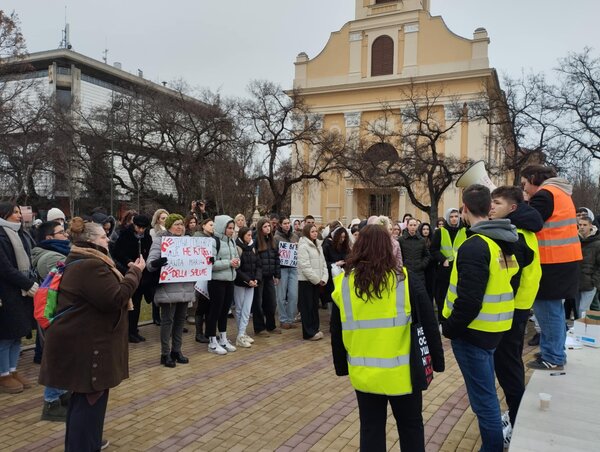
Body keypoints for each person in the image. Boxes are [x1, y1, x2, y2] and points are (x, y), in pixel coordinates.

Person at [330, 225, 444, 451]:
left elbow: (337, 330)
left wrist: (341, 367)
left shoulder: (344, 284)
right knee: (411, 427)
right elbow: (429, 322)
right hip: (404, 373)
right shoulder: (404, 279)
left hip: (364, 374)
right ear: (388, 248)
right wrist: (437, 361)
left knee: (371, 430)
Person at [38, 218, 144, 451]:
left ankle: (87, 443)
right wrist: (135, 273)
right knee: (88, 404)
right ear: (91, 240)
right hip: (88, 347)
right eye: (104, 237)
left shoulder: (85, 260)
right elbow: (115, 298)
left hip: (85, 343)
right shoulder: (90, 265)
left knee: (85, 402)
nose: (108, 239)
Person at [442, 185, 518, 452]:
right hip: (493, 329)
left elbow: (469, 301)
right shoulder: (501, 241)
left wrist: (449, 328)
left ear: (464, 209)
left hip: (473, 334)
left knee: (484, 402)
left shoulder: (474, 246)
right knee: (485, 397)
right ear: (489, 209)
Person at [489, 186, 543, 439]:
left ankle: (516, 420)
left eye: (496, 203)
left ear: (512, 208)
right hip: (518, 306)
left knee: (508, 366)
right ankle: (515, 414)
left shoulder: (516, 235)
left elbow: (510, 276)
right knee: (510, 363)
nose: (491, 207)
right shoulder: (522, 229)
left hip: (513, 308)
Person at [521, 164, 582, 371]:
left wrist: (516, 207)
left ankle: (553, 357)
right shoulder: (559, 192)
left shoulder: (545, 195)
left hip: (552, 262)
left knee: (547, 311)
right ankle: (552, 351)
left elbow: (531, 221)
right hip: (564, 260)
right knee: (553, 310)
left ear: (532, 178)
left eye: (524, 184)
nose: (525, 189)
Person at [31, 220, 72, 421]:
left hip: (60, 313)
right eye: (61, 232)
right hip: (53, 314)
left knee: (62, 355)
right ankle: (51, 402)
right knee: (56, 356)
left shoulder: (60, 253)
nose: (66, 236)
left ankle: (61, 393)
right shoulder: (50, 258)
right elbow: (68, 283)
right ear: (49, 237)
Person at [147, 214, 195, 367]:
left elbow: (195, 260)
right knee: (167, 321)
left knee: (180, 321)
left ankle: (177, 350)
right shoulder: (160, 241)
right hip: (167, 287)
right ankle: (165, 353)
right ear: (168, 226)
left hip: (184, 286)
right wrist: (157, 262)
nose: (180, 227)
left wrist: (206, 261)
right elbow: (149, 264)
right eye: (176, 224)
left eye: (181, 224)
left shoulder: (188, 242)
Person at [0, 203, 38, 394]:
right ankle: (3, 374)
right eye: (15, 212)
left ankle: (13, 370)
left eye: (19, 212)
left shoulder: (21, 234)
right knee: (6, 336)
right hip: (6, 293)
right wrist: (28, 284)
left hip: (20, 292)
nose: (19, 215)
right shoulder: (1, 235)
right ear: (4, 214)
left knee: (17, 335)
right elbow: (5, 268)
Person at [112, 214, 154, 344]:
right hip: (128, 271)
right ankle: (128, 331)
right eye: (138, 227)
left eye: (143, 228)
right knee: (130, 304)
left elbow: (150, 251)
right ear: (134, 225)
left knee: (137, 303)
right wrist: (128, 262)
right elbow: (117, 252)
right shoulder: (125, 235)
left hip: (142, 274)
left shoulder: (147, 237)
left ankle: (134, 329)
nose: (141, 230)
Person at [206, 215, 240, 355]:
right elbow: (210, 263)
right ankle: (212, 341)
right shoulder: (213, 242)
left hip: (229, 280)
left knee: (225, 311)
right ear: (222, 227)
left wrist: (237, 263)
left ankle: (223, 338)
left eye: (233, 228)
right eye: (229, 228)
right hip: (216, 282)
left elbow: (236, 258)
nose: (231, 231)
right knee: (215, 310)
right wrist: (228, 263)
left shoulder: (232, 241)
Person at [430, 208, 466, 321]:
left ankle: (456, 319)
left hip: (461, 267)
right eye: (451, 217)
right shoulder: (440, 231)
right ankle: (442, 319)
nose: (454, 219)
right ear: (447, 218)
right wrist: (443, 259)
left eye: (456, 216)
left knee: (459, 294)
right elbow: (433, 249)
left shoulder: (465, 230)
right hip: (445, 268)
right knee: (443, 295)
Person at [297, 223, 328, 340]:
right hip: (306, 281)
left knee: (315, 306)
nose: (315, 233)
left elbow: (323, 263)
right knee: (307, 307)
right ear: (307, 233)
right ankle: (308, 332)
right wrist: (316, 279)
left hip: (317, 281)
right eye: (312, 231)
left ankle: (315, 329)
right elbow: (305, 266)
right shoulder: (303, 246)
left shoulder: (318, 245)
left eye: (316, 231)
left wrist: (324, 278)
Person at [252, 218, 281, 336]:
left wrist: (277, 275)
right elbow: (254, 259)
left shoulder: (272, 241)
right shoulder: (256, 241)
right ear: (260, 228)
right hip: (259, 277)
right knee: (258, 303)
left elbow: (276, 259)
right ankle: (259, 328)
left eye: (269, 226)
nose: (268, 228)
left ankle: (271, 325)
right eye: (265, 226)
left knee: (271, 302)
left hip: (270, 276)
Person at [234, 227, 261, 348]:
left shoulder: (253, 247)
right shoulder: (237, 247)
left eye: (251, 235)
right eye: (248, 235)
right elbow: (237, 268)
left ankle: (242, 333)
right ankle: (241, 334)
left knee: (247, 309)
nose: (250, 237)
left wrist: (256, 279)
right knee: (240, 309)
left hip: (252, 283)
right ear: (242, 235)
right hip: (240, 283)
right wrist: (247, 280)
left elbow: (258, 265)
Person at [274, 216, 299, 329]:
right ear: (280, 224)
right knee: (281, 295)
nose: (287, 225)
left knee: (293, 295)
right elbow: (274, 253)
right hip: (282, 268)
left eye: (288, 223)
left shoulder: (295, 236)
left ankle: (290, 318)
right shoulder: (276, 237)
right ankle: (283, 319)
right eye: (284, 223)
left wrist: (297, 247)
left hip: (293, 268)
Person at [192, 219, 215, 343]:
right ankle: (199, 333)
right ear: (204, 226)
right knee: (201, 306)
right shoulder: (197, 238)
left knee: (210, 306)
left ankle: (209, 332)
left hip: (212, 274)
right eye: (210, 225)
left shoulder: (214, 238)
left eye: (214, 225)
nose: (213, 227)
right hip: (201, 275)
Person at [576, 216, 600, 318]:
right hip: (576, 281)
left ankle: (586, 332)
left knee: (583, 310)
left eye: (584, 225)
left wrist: (595, 281)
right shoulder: (575, 240)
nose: (582, 227)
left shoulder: (597, 243)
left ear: (591, 226)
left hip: (589, 282)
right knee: (578, 310)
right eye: (580, 224)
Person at [323, 226, 350, 312]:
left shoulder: (345, 247)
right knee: (332, 297)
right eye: (341, 237)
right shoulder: (328, 246)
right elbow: (324, 262)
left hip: (343, 275)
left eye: (344, 237)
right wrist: (335, 264)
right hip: (332, 276)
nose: (342, 239)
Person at [398, 218, 430, 285]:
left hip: (419, 272)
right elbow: (399, 255)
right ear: (407, 226)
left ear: (417, 226)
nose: (413, 227)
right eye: (411, 225)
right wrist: (403, 266)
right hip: (405, 271)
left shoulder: (421, 240)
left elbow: (427, 255)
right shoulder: (401, 240)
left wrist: (422, 265)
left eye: (414, 225)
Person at [418, 222, 435, 301]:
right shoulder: (418, 241)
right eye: (424, 229)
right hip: (421, 268)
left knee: (430, 291)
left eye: (427, 229)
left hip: (431, 269)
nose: (425, 231)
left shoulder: (433, 241)